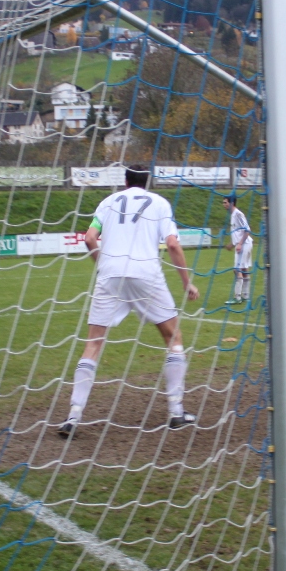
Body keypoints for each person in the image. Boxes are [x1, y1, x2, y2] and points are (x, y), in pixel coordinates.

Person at [61, 165, 200, 438]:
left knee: (93, 344)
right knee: (174, 337)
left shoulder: (108, 202)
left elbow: (89, 238)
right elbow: (173, 244)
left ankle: (73, 416)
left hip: (110, 275)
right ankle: (176, 411)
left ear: (125, 181)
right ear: (148, 182)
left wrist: (103, 265)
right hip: (146, 272)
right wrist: (187, 283)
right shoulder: (159, 203)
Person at [223, 194, 253, 304]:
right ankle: (245, 295)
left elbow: (247, 230)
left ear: (231, 203)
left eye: (225, 202)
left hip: (244, 244)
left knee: (237, 270)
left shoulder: (238, 214)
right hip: (244, 244)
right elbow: (239, 232)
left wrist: (239, 244)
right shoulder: (233, 215)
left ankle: (237, 297)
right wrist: (232, 244)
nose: (223, 205)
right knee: (244, 269)